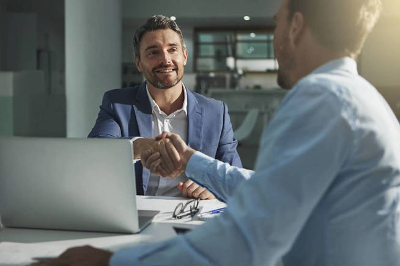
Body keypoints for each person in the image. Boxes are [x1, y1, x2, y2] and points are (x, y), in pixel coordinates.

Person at [36, 0, 400, 265]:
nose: (273, 38)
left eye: (275, 23)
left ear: (296, 26)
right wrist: (191, 162)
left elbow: (246, 239)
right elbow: (263, 191)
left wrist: (112, 262)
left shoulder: (320, 100)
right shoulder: (355, 97)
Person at [88, 15, 242, 199]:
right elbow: (95, 152)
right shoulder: (117, 103)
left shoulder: (216, 112)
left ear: (184, 56)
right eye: (153, 52)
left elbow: (235, 175)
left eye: (172, 50)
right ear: (139, 62)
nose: (166, 59)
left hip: (191, 216)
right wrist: (143, 146)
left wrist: (214, 189)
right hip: (134, 216)